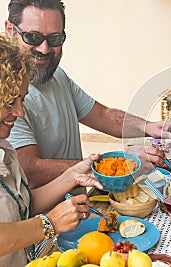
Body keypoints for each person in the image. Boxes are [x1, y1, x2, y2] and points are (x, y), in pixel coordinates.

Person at [4, 0, 171, 190]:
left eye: (54, 40)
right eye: (33, 37)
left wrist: (150, 127)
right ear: (10, 30)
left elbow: (102, 115)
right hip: (46, 218)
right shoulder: (8, 101)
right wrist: (122, 163)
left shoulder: (57, 76)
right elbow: (30, 170)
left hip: (80, 209)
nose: (44, 49)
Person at [0, 33, 104, 267]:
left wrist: (71, 176)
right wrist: (49, 223)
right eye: (9, 102)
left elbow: (21, 208)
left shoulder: (5, 148)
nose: (19, 112)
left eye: (22, 100)